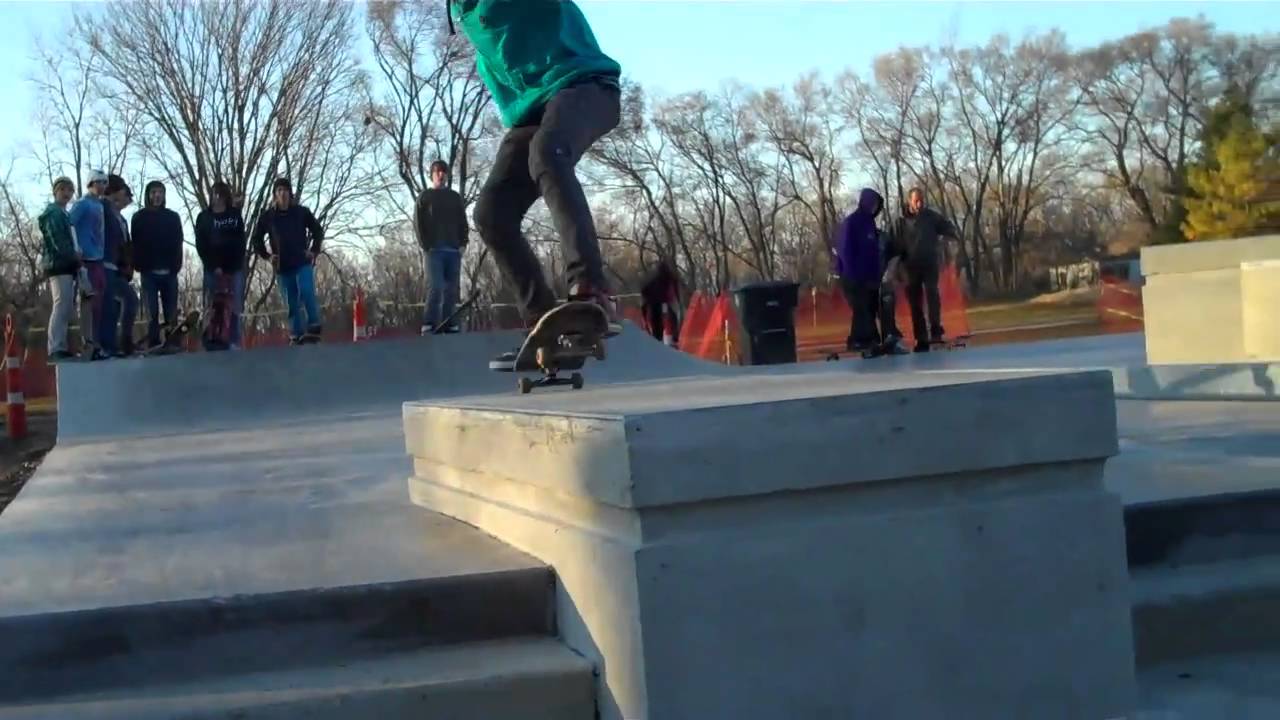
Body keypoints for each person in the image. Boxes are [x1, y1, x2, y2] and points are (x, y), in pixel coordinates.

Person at [446, 0, 624, 369]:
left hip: (586, 85)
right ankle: (543, 323)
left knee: (547, 153)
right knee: (492, 214)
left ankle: (591, 289)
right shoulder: (462, 12)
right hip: (533, 111)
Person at [251, 177, 324, 344]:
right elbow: (256, 239)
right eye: (279, 191)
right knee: (291, 302)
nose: (283, 194)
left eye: (285, 191)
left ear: (290, 194)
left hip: (302, 262)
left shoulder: (301, 212)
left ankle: (314, 325)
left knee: (306, 290)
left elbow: (317, 231)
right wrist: (268, 256)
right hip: (283, 266)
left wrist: (313, 251)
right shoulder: (268, 217)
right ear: (275, 195)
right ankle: (296, 334)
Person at [835, 188, 905, 353]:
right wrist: (853, 274)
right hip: (853, 276)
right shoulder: (852, 222)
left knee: (869, 308)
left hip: (870, 278)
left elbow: (873, 252)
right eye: (874, 205)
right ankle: (862, 341)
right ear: (867, 203)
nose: (876, 209)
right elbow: (845, 251)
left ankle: (873, 339)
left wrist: (875, 276)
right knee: (862, 309)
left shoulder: (869, 223)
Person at [895, 187, 960, 352]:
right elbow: (893, 243)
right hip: (910, 266)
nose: (919, 204)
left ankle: (936, 330)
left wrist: (951, 235)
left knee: (932, 293)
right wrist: (895, 264)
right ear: (909, 201)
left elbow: (947, 226)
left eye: (921, 200)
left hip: (930, 263)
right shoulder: (901, 222)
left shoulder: (930, 217)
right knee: (915, 303)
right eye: (916, 200)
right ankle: (921, 337)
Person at [415, 160, 468, 334]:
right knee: (436, 286)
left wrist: (463, 243)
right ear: (432, 175)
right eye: (437, 172)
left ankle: (448, 322)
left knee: (452, 289)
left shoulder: (454, 197)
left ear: (447, 175)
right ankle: (429, 323)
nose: (441, 175)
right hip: (434, 250)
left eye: (444, 172)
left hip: (453, 249)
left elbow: (462, 221)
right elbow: (418, 223)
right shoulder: (425, 196)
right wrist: (425, 245)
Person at [131, 180, 184, 350]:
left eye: (160, 192)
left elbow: (178, 241)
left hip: (169, 271)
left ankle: (172, 341)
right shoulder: (139, 217)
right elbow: (135, 243)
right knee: (151, 312)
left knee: (171, 311)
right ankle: (153, 342)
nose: (157, 196)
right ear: (148, 195)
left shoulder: (172, 217)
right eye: (153, 192)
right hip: (149, 273)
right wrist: (138, 265)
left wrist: (176, 265)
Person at [196, 181, 248, 349]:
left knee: (234, 305)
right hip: (213, 268)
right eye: (214, 194)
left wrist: (235, 264)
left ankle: (233, 339)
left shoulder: (234, 215)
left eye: (220, 194)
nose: (216, 198)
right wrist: (213, 264)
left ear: (225, 197)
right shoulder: (204, 217)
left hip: (234, 268)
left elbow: (241, 241)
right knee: (212, 304)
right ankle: (211, 339)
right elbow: (201, 244)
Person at [38, 176, 81, 361]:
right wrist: (73, 256)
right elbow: (58, 241)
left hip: (66, 265)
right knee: (61, 304)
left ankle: (61, 345)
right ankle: (55, 347)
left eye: (69, 190)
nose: (66, 193)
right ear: (55, 192)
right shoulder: (54, 213)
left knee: (65, 306)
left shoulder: (65, 214)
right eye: (62, 189)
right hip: (58, 265)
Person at [69, 169, 109, 360]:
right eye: (99, 182)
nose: (102, 185)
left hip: (99, 259)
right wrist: (76, 251)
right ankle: (88, 344)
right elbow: (70, 225)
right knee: (88, 303)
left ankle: (97, 343)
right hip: (86, 260)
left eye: (104, 182)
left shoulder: (100, 205)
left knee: (99, 303)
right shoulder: (82, 204)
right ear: (91, 183)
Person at [100, 175, 138, 357]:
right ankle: (108, 344)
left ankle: (122, 341)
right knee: (111, 306)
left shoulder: (120, 218)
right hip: (105, 265)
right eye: (123, 191)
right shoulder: (103, 208)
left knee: (127, 301)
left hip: (118, 267)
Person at [640, 259, 679, 343]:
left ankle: (660, 338)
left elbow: (644, 290)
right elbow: (673, 290)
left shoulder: (654, 279)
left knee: (659, 321)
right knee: (670, 318)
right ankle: (671, 337)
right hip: (663, 301)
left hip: (656, 302)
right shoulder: (670, 277)